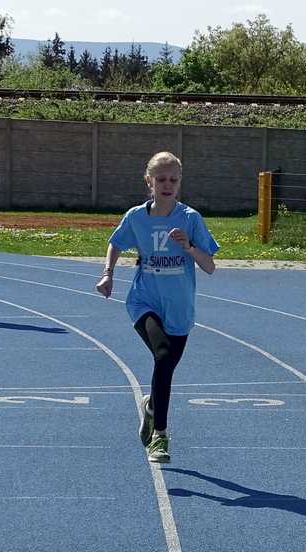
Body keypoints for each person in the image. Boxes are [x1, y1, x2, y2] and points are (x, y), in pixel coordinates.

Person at [96, 151, 219, 463]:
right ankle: (160, 436)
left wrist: (188, 247)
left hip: (179, 308)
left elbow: (209, 266)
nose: (167, 185)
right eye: (161, 179)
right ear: (148, 182)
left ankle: (151, 407)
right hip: (144, 300)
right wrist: (108, 274)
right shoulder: (136, 217)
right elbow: (116, 242)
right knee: (162, 356)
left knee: (166, 368)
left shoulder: (190, 219)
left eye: (173, 180)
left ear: (180, 184)